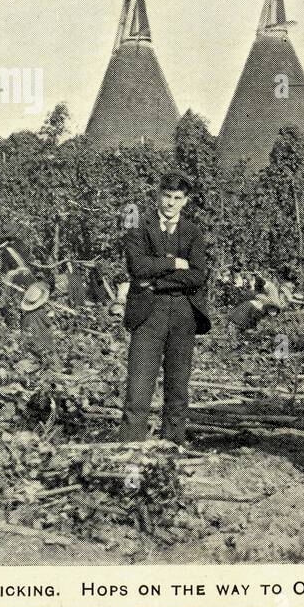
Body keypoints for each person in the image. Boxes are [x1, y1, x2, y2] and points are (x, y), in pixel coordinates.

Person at [119, 171, 211, 444]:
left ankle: (172, 446)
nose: (170, 203)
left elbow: (197, 275)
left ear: (185, 201)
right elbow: (137, 267)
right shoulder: (138, 227)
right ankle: (130, 448)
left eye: (177, 198)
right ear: (158, 195)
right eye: (166, 196)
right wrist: (174, 263)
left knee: (178, 386)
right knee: (138, 387)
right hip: (148, 312)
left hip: (183, 313)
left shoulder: (193, 233)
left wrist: (155, 280)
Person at [18, 280, 54, 355]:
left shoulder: (25, 316)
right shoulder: (41, 312)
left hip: (29, 339)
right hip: (42, 338)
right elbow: (49, 323)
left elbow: (22, 327)